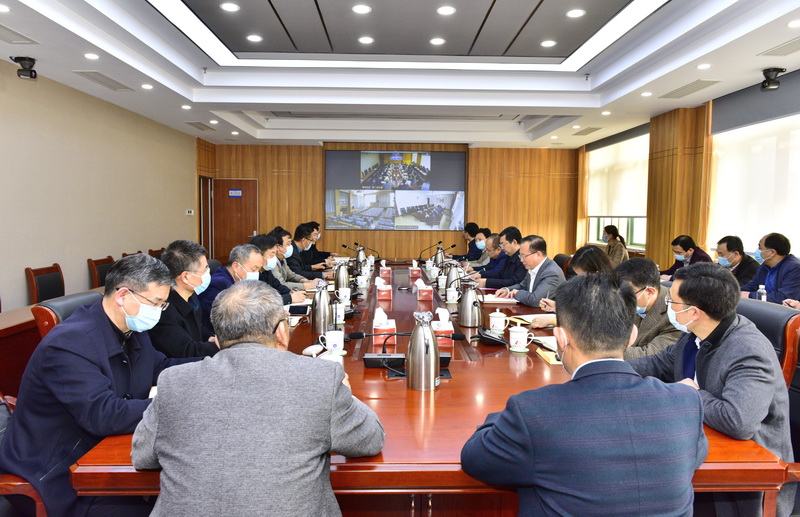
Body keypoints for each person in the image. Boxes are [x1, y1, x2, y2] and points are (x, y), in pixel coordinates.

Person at [131, 281, 385, 516]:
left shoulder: (174, 381)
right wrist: (344, 390)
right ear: (281, 332)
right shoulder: (321, 378)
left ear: (219, 337)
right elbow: (369, 440)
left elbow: (143, 456)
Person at [461, 274, 707, 516]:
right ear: (632, 336)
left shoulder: (533, 412)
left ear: (560, 338)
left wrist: (504, 415)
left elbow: (475, 459)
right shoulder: (686, 402)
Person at [0, 254, 193, 517]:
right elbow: (104, 415)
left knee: (185, 491)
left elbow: (161, 367)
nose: (159, 311)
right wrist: (180, 404)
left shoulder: (130, 330)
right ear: (123, 295)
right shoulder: (69, 343)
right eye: (156, 303)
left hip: (99, 457)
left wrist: (215, 368)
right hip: (59, 477)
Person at [628, 263, 795, 516]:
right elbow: (657, 364)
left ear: (694, 312)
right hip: (702, 444)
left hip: (746, 482)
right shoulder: (695, 335)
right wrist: (603, 366)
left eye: (672, 302)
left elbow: (738, 421)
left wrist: (691, 393)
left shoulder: (748, 350)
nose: (667, 306)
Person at [148, 239, 220, 358]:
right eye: (205, 269)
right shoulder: (163, 308)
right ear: (186, 277)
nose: (208, 272)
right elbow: (186, 351)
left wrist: (210, 338)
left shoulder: (191, 296)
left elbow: (198, 328)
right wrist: (222, 345)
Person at [615, 258, 682, 358]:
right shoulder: (627, 301)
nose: (620, 298)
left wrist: (601, 352)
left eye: (627, 293)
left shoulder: (676, 313)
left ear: (650, 292)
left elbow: (651, 355)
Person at [198, 243, 263, 333]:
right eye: (254, 269)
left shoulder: (237, 281)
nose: (257, 273)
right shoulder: (219, 286)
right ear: (235, 266)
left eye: (259, 269)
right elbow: (233, 321)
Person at [537, 245, 613, 314]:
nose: (580, 280)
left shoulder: (611, 293)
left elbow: (591, 319)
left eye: (583, 276)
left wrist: (553, 320)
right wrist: (556, 307)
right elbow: (577, 310)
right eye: (578, 275)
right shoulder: (583, 285)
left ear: (597, 273)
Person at [495, 235, 565, 307]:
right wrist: (507, 290)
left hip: (548, 313)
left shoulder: (551, 273)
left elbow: (535, 300)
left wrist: (517, 293)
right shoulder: (532, 267)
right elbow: (523, 286)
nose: (521, 260)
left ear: (538, 254)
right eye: (520, 256)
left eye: (524, 256)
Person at [740, 233, 800, 304]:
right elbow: (751, 286)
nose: (757, 251)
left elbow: (784, 298)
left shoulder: (794, 268)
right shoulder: (764, 266)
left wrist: (750, 295)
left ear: (772, 252)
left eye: (760, 247)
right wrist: (735, 293)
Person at [249, 233, 307, 305]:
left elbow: (277, 286)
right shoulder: (251, 275)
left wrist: (290, 292)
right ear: (258, 255)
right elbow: (262, 301)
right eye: (272, 254)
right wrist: (290, 298)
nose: (275, 258)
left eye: (275, 254)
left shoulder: (265, 270)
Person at [269, 226, 317, 291]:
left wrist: (305, 280)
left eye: (291, 243)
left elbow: (291, 275)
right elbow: (281, 284)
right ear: (278, 247)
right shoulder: (272, 262)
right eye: (288, 244)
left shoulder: (282, 258)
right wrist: (304, 286)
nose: (291, 246)